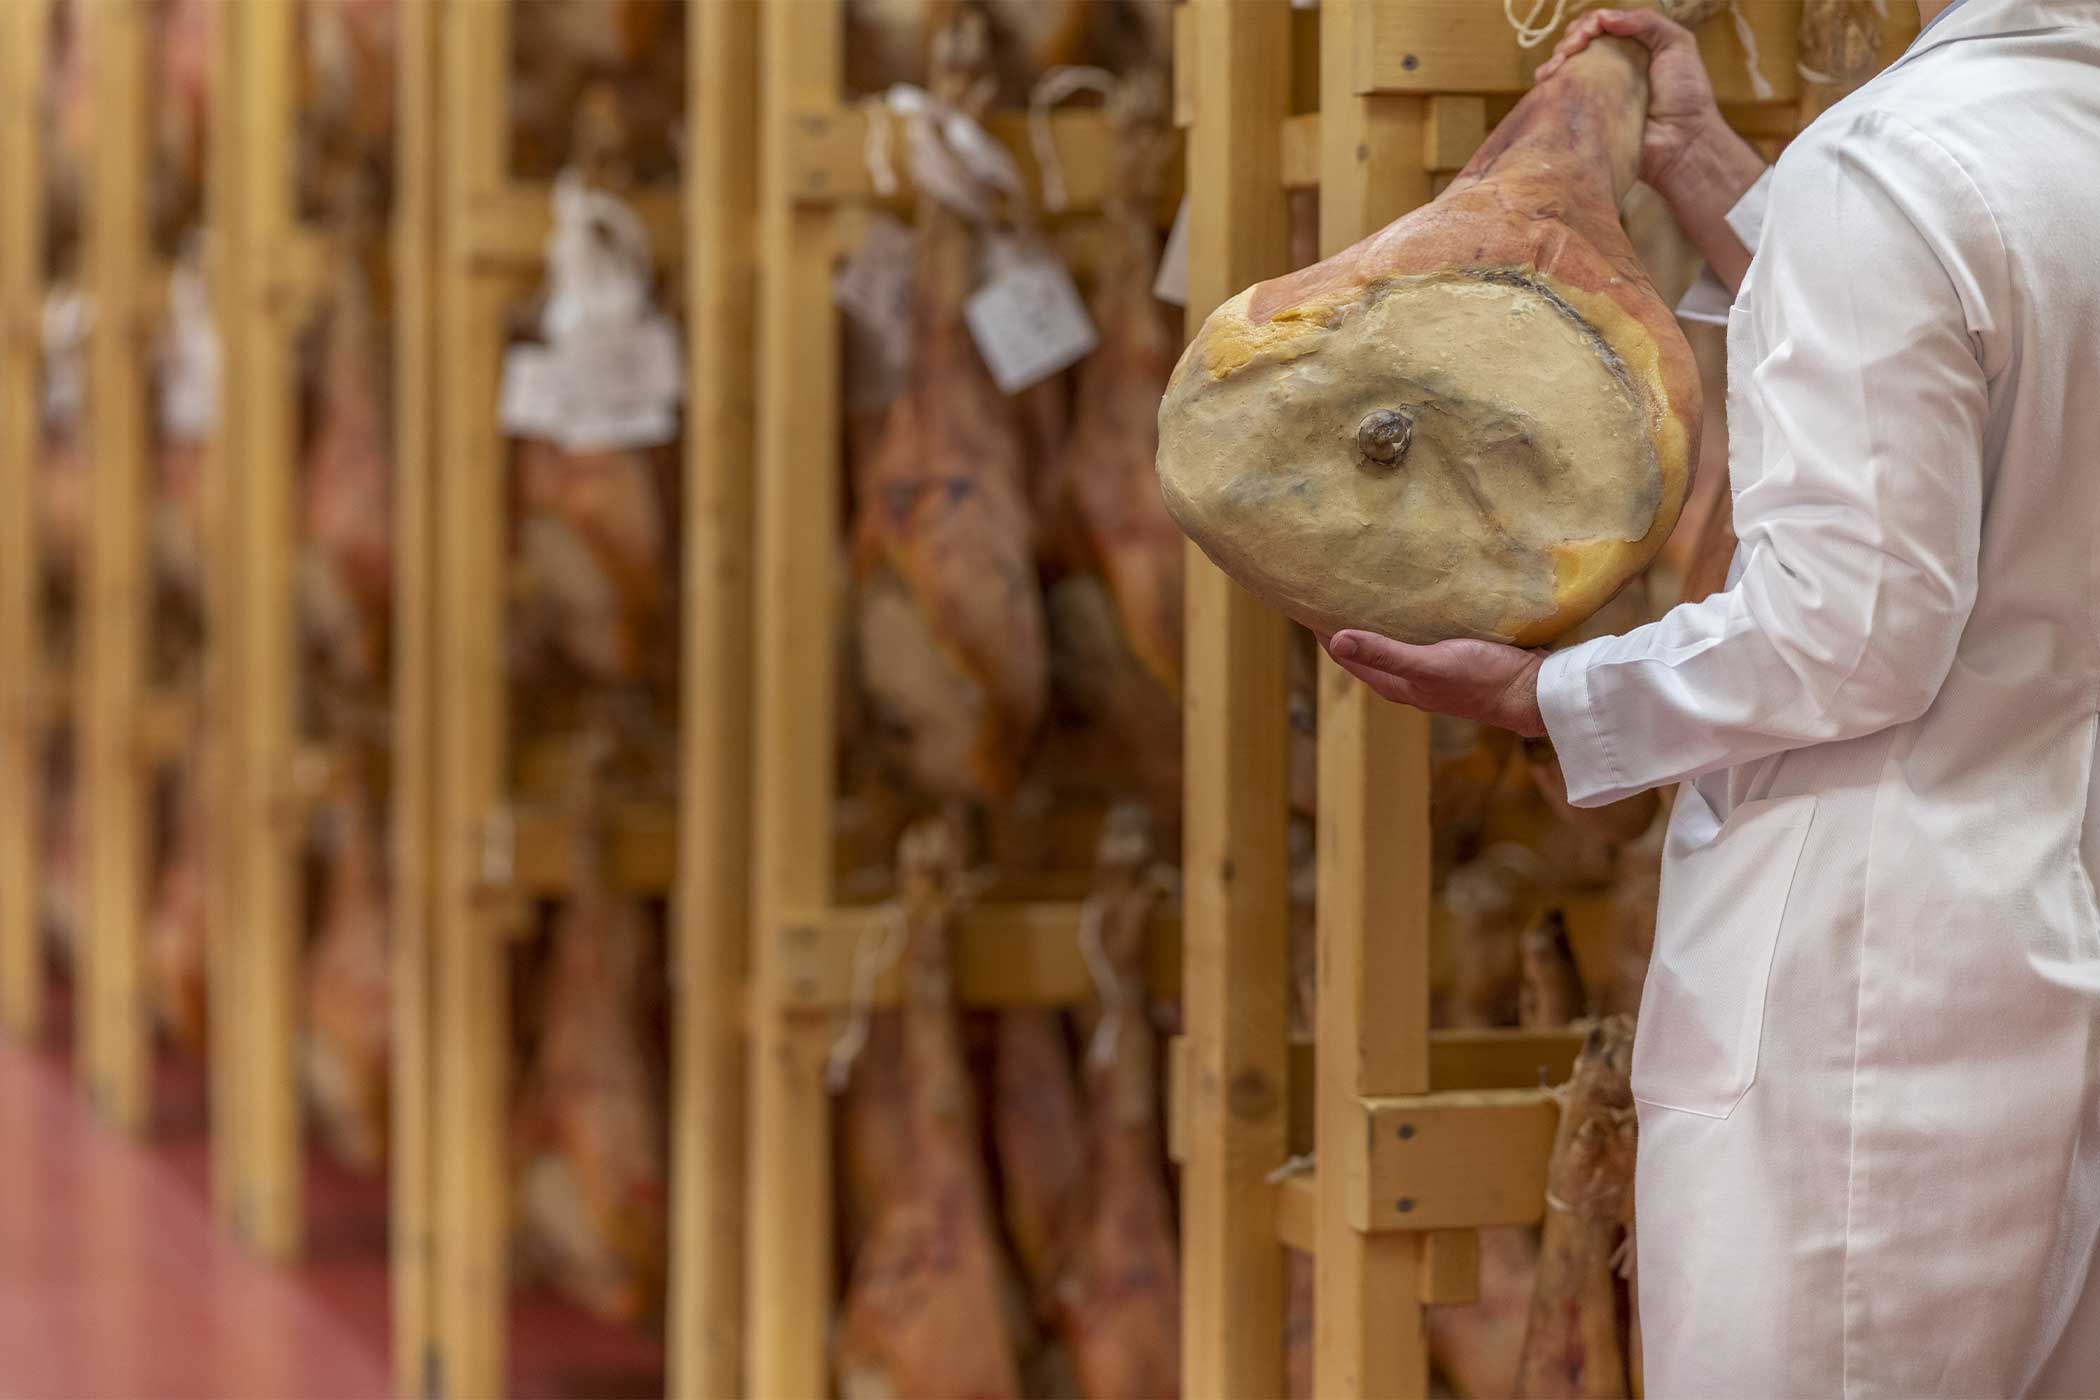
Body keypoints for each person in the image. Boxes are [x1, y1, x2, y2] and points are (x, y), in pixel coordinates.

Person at [1319, 2, 2100, 1394]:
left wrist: (1552, 693)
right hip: (2045, 920)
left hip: (1872, 993)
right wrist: (1714, 174)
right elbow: (1967, 365)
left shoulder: (1888, 169)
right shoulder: (2036, 146)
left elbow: (1853, 631)